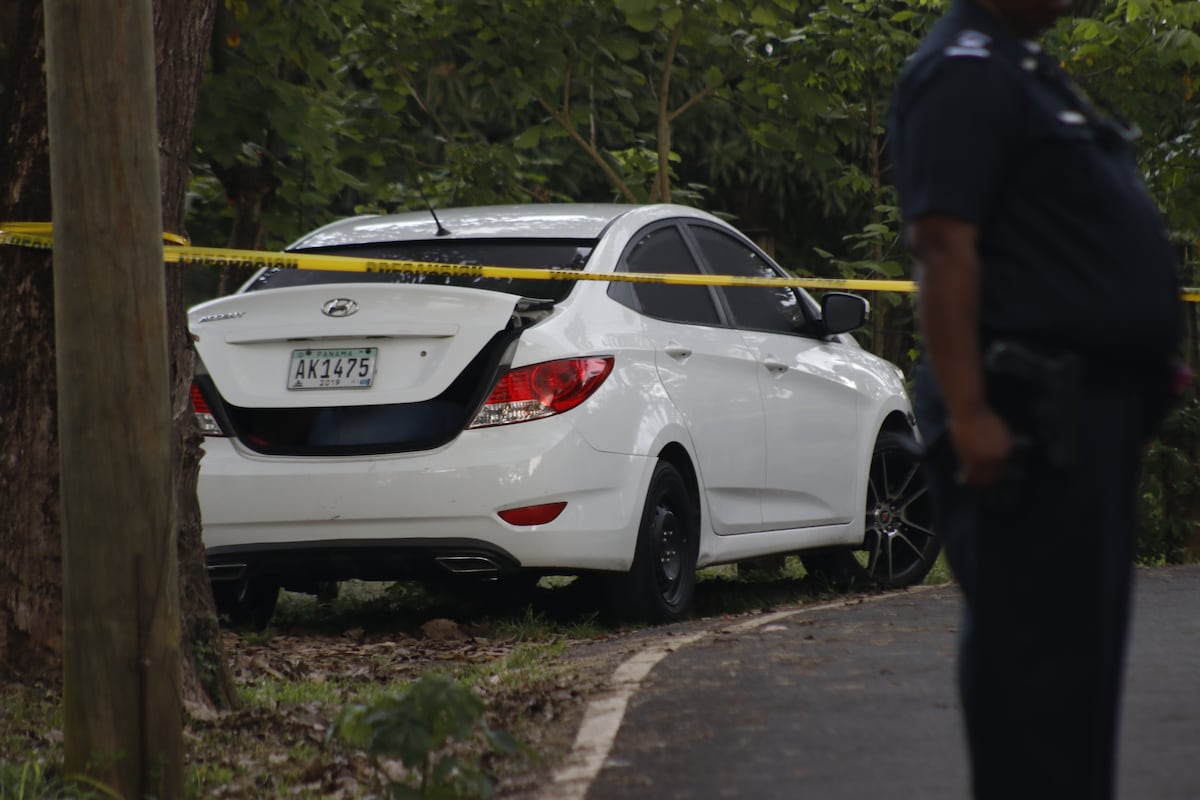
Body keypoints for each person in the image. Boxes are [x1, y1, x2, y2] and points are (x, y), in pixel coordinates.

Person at [888, 0, 1186, 797]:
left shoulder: (1022, 69)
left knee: (1079, 679)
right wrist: (973, 411)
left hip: (1083, 422)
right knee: (1038, 679)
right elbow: (944, 243)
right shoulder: (961, 70)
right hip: (1023, 420)